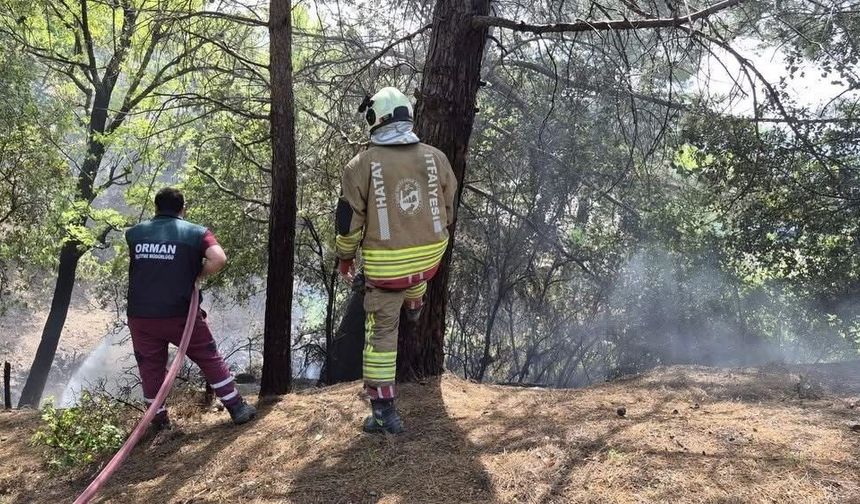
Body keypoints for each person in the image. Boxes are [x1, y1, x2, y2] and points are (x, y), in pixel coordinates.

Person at [335, 87, 457, 434]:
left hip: (388, 268)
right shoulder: (437, 157)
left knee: (380, 335)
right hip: (429, 258)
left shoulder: (360, 166)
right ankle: (415, 303)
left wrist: (345, 258)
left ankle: (383, 412)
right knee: (415, 275)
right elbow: (448, 208)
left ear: (375, 119)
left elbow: (348, 223)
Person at [126, 187, 256, 429]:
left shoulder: (134, 233)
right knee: (208, 356)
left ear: (156, 207)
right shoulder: (196, 233)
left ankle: (159, 422)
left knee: (150, 367)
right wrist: (197, 273)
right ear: (183, 208)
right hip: (180, 313)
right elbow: (219, 258)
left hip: (140, 315)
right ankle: (237, 407)